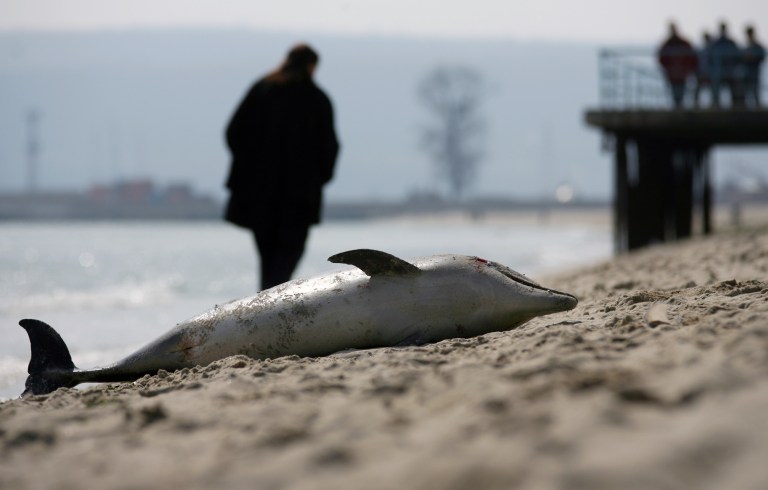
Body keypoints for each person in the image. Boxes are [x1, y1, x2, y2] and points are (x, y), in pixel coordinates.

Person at [224, 44, 340, 290]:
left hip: (258, 194)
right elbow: (329, 147)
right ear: (311, 66)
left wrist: (248, 168)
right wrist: (318, 178)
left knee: (267, 257)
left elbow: (234, 133)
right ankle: (270, 304)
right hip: (298, 197)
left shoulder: (262, 90)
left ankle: (265, 302)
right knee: (288, 256)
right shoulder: (316, 99)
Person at [657, 22, 698, 108]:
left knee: (681, 91)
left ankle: (679, 108)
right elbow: (661, 58)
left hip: (682, 73)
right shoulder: (667, 44)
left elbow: (692, 57)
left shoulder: (682, 43)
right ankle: (678, 107)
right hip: (673, 73)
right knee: (674, 92)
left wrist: (688, 68)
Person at [709, 22, 741, 107]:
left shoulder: (730, 43)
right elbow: (710, 58)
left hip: (729, 71)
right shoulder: (715, 43)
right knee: (716, 90)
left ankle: (736, 106)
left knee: (735, 90)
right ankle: (715, 105)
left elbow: (737, 57)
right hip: (719, 72)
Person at [742, 25, 766, 107]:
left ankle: (757, 105)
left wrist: (753, 58)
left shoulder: (757, 46)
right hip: (747, 71)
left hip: (754, 71)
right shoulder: (747, 47)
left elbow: (761, 56)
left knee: (755, 89)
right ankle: (746, 106)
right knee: (746, 89)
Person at [694, 32, 713, 107]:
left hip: (710, 74)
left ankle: (714, 103)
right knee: (698, 90)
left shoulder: (711, 50)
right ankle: (696, 104)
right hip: (702, 74)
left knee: (713, 89)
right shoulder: (702, 50)